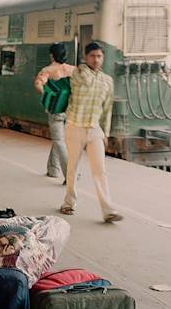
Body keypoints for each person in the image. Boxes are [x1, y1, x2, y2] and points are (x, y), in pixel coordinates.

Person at [60, 42, 122, 223]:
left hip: (94, 129)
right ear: (86, 57)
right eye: (93, 56)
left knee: (100, 170)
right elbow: (86, 80)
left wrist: (106, 133)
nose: (96, 59)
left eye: (100, 56)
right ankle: (69, 202)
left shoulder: (107, 81)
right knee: (72, 167)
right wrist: (87, 69)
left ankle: (108, 209)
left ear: (103, 58)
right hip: (74, 126)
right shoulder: (78, 73)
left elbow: (107, 108)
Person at [34, 42, 74, 183]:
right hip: (71, 111)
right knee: (60, 140)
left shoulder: (48, 70)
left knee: (59, 141)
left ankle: (70, 176)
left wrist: (49, 96)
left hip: (56, 110)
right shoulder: (73, 70)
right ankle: (53, 169)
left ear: (52, 55)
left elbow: (38, 84)